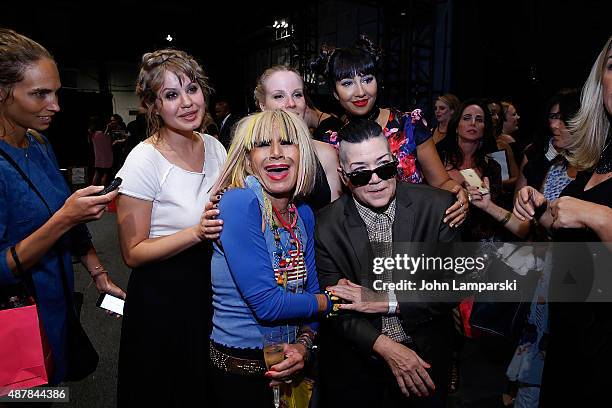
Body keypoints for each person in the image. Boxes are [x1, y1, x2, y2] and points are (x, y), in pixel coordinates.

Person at [0, 28, 124, 386]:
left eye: (54, 92)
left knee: (54, 391)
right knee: (28, 394)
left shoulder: (39, 143)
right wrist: (63, 218)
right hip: (15, 320)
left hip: (57, 306)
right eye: (40, 94)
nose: (55, 105)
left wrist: (99, 274)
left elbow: (69, 222)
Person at [315, 119, 459, 408]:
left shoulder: (438, 207)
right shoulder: (326, 224)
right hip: (359, 366)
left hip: (426, 361)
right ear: (343, 176)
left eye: (384, 167)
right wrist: (387, 348)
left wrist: (385, 300)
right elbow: (336, 307)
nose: (376, 180)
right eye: (360, 174)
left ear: (396, 162)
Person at [115, 48, 226, 407]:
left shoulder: (214, 147)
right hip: (162, 298)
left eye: (192, 89)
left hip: (210, 290)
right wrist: (196, 232)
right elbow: (132, 252)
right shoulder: (142, 160)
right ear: (153, 105)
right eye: (171, 95)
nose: (187, 103)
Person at [208, 110, 333, 407]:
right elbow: (269, 305)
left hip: (292, 366)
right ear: (248, 158)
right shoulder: (239, 203)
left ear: (303, 153)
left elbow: (310, 293)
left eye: (288, 143)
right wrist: (333, 302)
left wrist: (304, 346)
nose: (276, 153)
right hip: (240, 377)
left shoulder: (302, 213)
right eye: (263, 144)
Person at [513, 35, 612, 407]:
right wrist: (541, 208)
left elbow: (591, 218)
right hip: (572, 339)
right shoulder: (600, 157)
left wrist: (598, 215)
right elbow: (569, 227)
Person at [312, 35, 468, 227]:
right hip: (361, 238)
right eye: (347, 83)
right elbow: (335, 206)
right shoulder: (331, 141)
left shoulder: (409, 125)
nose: (361, 91)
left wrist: (459, 193)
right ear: (335, 92)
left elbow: (442, 183)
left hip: (415, 230)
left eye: (367, 79)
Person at [253, 65, 343, 209]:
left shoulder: (326, 154)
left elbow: (336, 220)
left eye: (297, 94)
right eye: (279, 96)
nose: (291, 104)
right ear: (263, 105)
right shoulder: (251, 154)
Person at [88, 115, 113, 186]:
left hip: (97, 159)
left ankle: (92, 190)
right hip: (106, 159)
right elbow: (109, 142)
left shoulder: (93, 134)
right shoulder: (104, 135)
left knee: (96, 174)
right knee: (104, 176)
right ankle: (102, 191)